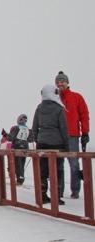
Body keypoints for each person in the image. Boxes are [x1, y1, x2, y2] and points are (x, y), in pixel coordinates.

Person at [32, 84, 69, 205]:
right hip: (57, 144)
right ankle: (56, 197)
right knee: (57, 170)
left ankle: (42, 195)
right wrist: (67, 145)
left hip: (42, 143)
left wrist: (37, 141)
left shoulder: (39, 108)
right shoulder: (59, 109)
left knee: (43, 170)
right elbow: (63, 128)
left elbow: (35, 127)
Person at [56, 71, 90, 199]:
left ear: (67, 82)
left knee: (74, 163)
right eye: (58, 82)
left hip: (72, 135)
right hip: (57, 137)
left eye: (62, 81)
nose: (60, 84)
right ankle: (58, 190)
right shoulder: (54, 98)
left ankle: (75, 191)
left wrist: (85, 132)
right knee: (58, 163)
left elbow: (84, 115)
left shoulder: (77, 97)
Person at [8, 114, 34, 185]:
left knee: (17, 164)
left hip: (17, 147)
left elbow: (11, 138)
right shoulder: (28, 129)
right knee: (22, 164)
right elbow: (31, 139)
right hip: (25, 148)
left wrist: (5, 135)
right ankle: (21, 177)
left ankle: (20, 179)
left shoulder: (16, 128)